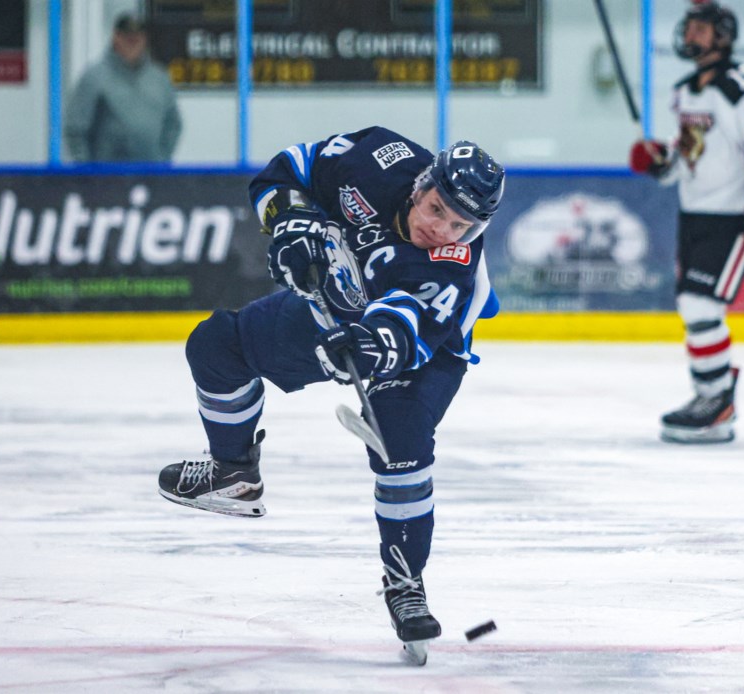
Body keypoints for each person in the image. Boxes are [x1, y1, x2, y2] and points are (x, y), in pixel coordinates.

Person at [156, 126, 505, 664]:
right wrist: (291, 220)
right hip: (335, 309)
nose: (441, 230)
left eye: (461, 224)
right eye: (437, 209)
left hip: (420, 354)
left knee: (400, 444)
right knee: (216, 345)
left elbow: (406, 327)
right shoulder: (374, 157)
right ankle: (233, 473)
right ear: (421, 184)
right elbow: (289, 167)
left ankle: (405, 582)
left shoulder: (452, 264)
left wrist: (369, 345)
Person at [628, 1, 744, 444]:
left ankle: (717, 398)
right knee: (693, 306)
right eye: (690, 26)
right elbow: (687, 158)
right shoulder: (684, 91)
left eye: (701, 27)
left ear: (723, 35)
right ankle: (711, 396)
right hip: (696, 213)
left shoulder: (742, 83)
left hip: (734, 215)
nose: (692, 34)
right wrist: (659, 159)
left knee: (702, 305)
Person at [64, 13, 182, 162]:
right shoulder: (94, 78)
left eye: (137, 38)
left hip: (151, 175)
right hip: (106, 177)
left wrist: (162, 160)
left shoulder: (159, 79)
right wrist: (86, 171)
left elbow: (173, 123)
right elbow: (75, 128)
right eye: (128, 38)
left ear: (144, 40)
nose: (133, 43)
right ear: (116, 37)